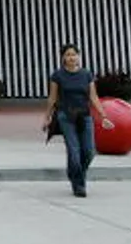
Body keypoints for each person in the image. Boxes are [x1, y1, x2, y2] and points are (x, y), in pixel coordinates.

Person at [42, 43, 114, 197]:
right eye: (67, 55)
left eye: (74, 54)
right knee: (74, 152)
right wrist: (46, 118)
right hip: (65, 117)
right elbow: (52, 98)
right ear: (63, 58)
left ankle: (73, 172)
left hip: (85, 116)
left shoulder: (86, 75)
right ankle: (79, 185)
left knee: (89, 152)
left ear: (78, 56)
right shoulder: (57, 76)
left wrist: (104, 116)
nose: (71, 58)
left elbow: (93, 97)